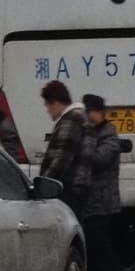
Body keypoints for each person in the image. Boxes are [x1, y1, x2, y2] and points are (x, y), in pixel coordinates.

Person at [78, 95, 124, 271]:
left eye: (90, 112)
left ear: (99, 112)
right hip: (89, 199)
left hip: (102, 200)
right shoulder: (88, 133)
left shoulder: (109, 135)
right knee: (92, 242)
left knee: (100, 243)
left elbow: (99, 161)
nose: (87, 117)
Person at [39, 81, 89, 210]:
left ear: (55, 103)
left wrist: (45, 183)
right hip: (77, 186)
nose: (47, 110)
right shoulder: (79, 116)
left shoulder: (71, 119)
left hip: (69, 187)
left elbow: (62, 157)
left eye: (47, 106)